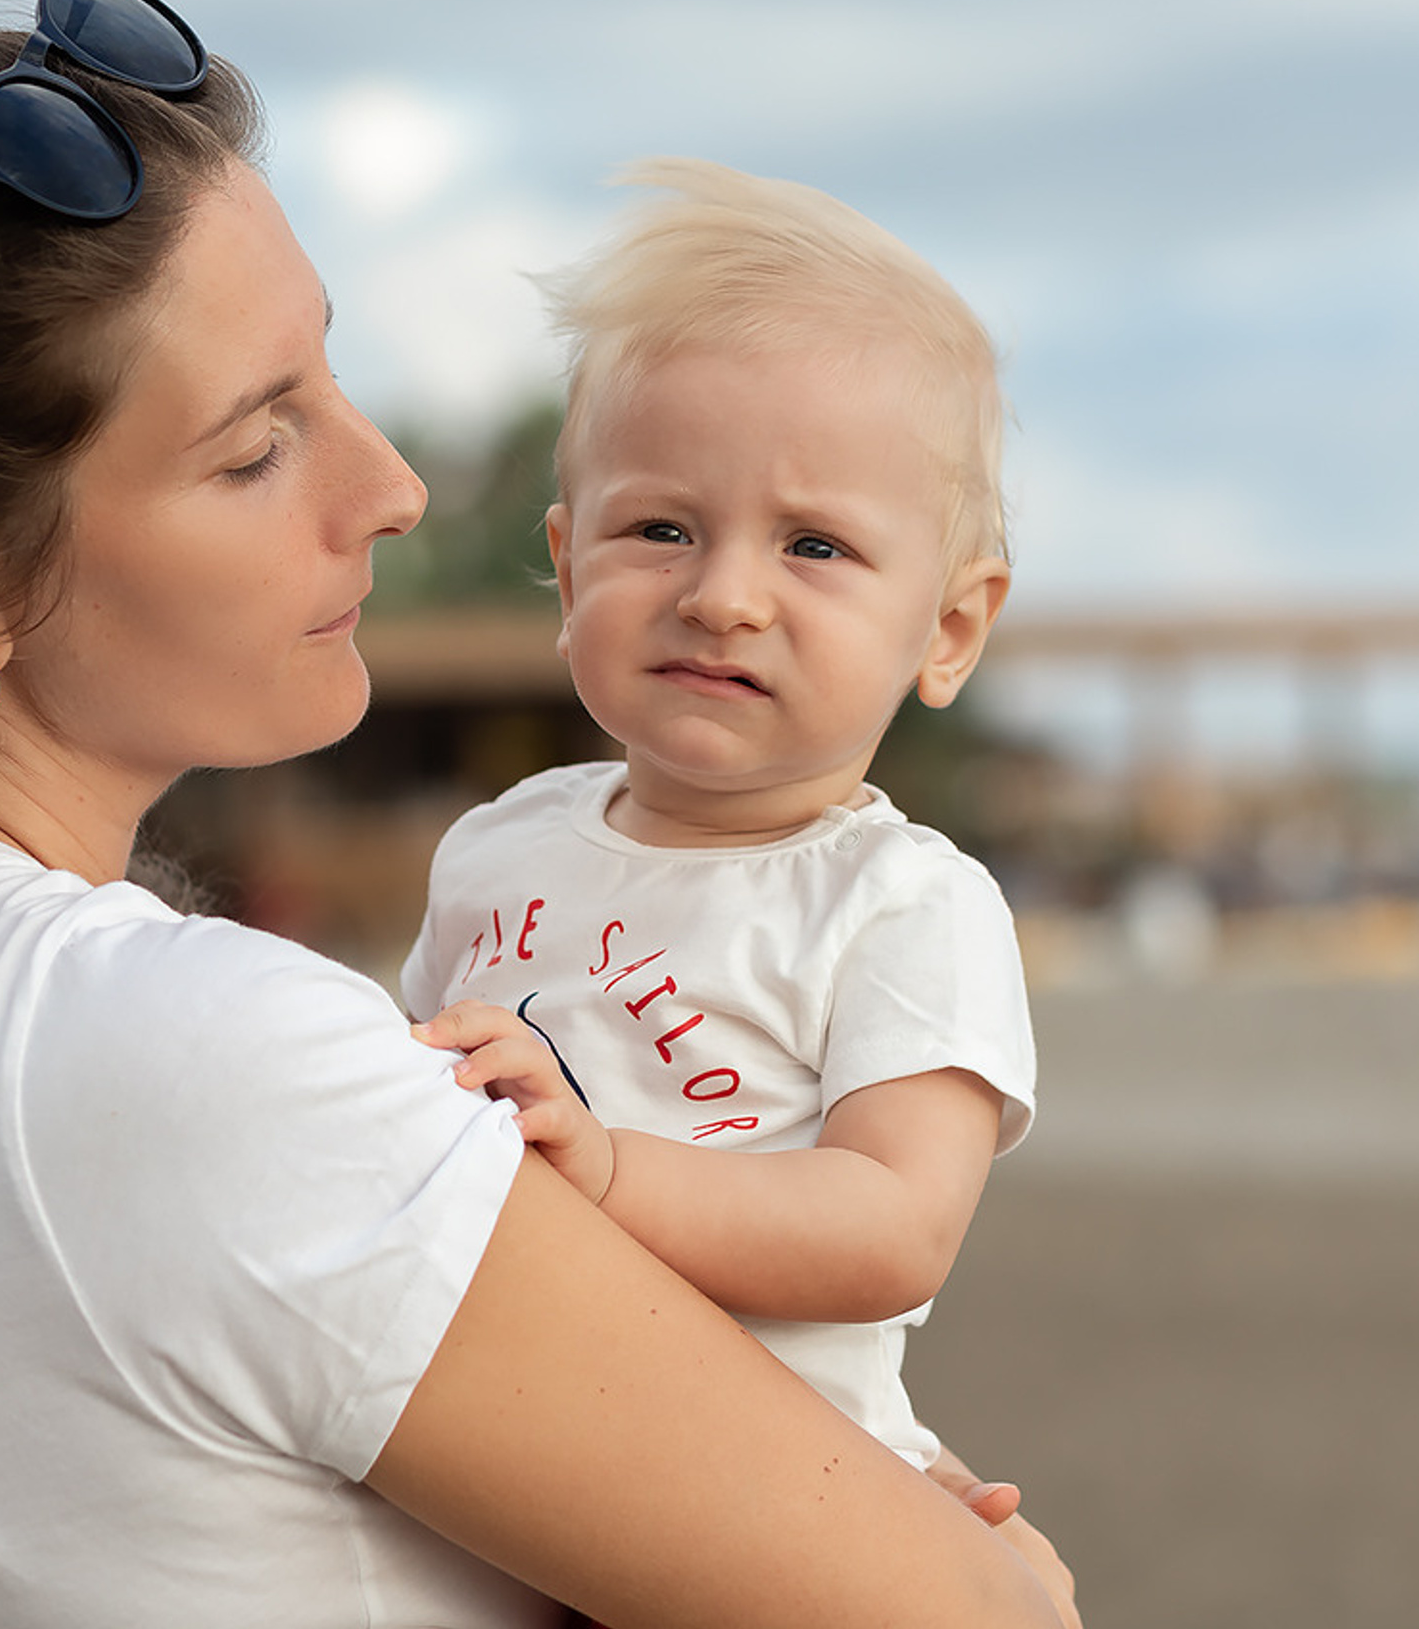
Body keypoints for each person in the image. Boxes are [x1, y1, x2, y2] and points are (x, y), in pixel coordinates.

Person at [0, 0, 1074, 1629]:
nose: (399, 487)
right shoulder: (190, 1063)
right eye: (256, 443)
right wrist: (992, 1576)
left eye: (334, 379)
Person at [402, 159, 1031, 1475]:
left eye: (814, 546)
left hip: (769, 1486)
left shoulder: (899, 904)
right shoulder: (497, 846)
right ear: (569, 566)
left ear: (951, 625)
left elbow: (891, 1226)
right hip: (496, 1450)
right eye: (662, 529)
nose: (724, 594)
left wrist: (607, 1172)